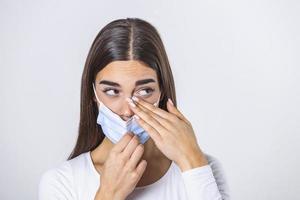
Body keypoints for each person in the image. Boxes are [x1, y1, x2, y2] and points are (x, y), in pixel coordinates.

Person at [38, 18, 230, 200]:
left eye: (145, 90)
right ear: (93, 94)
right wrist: (108, 194)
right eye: (112, 91)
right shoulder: (62, 182)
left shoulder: (203, 167)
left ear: (162, 91)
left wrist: (193, 160)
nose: (128, 111)